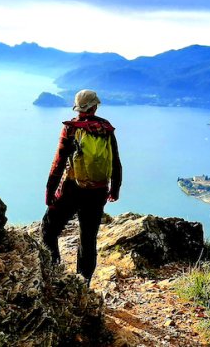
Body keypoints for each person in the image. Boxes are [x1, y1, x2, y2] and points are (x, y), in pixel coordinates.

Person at [41, 89, 122, 287]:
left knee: (48, 230)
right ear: (95, 106)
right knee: (87, 239)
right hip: (98, 191)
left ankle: (54, 272)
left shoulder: (71, 128)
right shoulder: (106, 129)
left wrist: (50, 191)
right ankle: (82, 284)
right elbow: (116, 162)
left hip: (72, 189)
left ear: (78, 107)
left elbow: (58, 162)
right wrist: (114, 189)